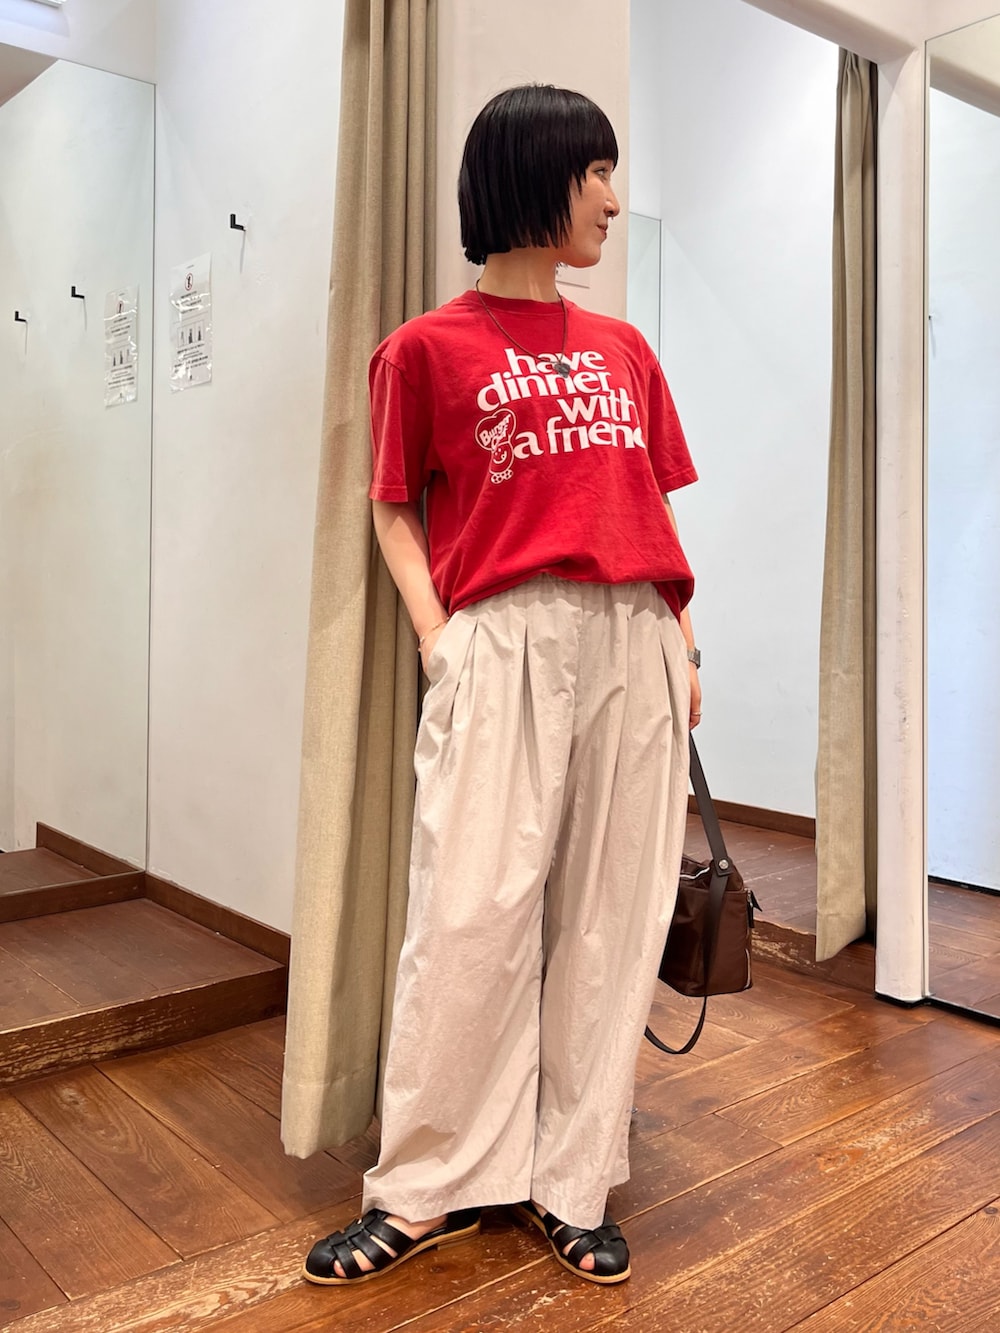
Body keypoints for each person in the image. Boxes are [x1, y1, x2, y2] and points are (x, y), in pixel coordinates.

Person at [303, 82, 701, 1290]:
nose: (614, 202)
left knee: (609, 917)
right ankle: (423, 1186)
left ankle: (572, 1181)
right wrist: (440, 639)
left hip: (633, 632)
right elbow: (390, 507)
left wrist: (684, 644)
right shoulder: (422, 350)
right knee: (467, 914)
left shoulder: (624, 351)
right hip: (502, 636)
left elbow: (649, 506)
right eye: (597, 175)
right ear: (535, 176)